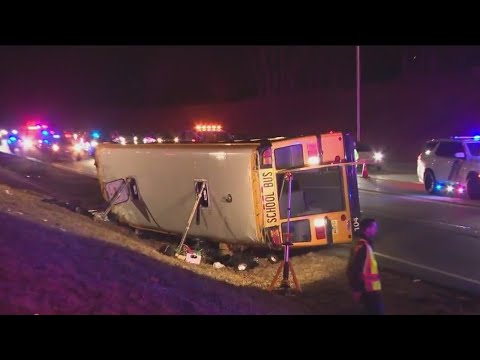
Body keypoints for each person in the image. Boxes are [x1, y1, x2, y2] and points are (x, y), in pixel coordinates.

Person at [346, 218, 384, 315]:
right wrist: (357, 289)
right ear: (367, 229)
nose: (376, 230)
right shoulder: (363, 246)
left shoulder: (363, 244)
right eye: (374, 227)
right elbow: (355, 269)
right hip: (368, 290)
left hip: (370, 289)